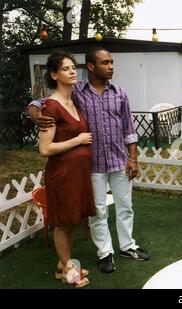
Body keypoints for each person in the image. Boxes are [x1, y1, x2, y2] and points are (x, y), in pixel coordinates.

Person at [28, 47, 149, 273]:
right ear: (92, 67)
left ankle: (127, 246)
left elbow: (129, 129)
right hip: (92, 165)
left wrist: (133, 158)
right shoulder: (77, 92)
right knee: (98, 211)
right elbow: (42, 102)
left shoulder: (120, 93)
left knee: (126, 207)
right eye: (105, 63)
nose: (111, 67)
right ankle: (105, 253)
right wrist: (35, 113)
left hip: (119, 161)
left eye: (112, 62)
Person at [38, 51, 95, 288]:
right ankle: (68, 269)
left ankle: (65, 263)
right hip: (62, 175)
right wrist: (78, 141)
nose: (73, 71)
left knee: (74, 219)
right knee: (62, 222)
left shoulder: (74, 100)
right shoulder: (51, 107)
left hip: (79, 174)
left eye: (73, 67)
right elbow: (45, 148)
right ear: (54, 75)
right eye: (66, 68)